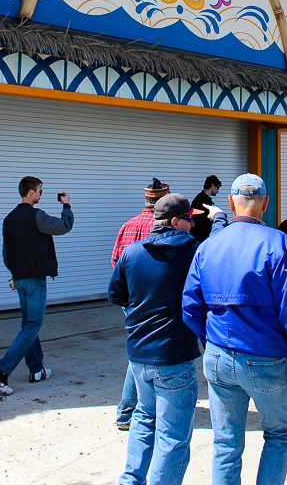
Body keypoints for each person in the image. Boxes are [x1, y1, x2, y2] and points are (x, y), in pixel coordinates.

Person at [183, 173, 287, 485]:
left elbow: (190, 308)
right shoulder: (281, 245)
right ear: (265, 204)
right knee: (279, 434)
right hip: (267, 360)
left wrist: (213, 341)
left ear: (232, 203)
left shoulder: (208, 246)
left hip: (218, 358)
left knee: (225, 443)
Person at [108, 193, 226, 485]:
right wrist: (220, 219)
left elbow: (116, 295)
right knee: (173, 435)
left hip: (138, 355)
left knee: (144, 418)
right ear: (175, 222)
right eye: (189, 219)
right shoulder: (193, 251)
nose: (193, 225)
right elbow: (220, 249)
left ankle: (130, 480)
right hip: (175, 356)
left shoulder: (132, 253)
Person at [0, 177, 73, 395]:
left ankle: (37, 370)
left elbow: (6, 253)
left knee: (28, 325)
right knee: (33, 325)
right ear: (32, 192)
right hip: (34, 279)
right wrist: (66, 205)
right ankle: (1, 369)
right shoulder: (37, 216)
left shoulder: (9, 219)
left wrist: (14, 274)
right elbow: (64, 226)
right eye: (40, 191)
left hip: (20, 279)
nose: (41, 195)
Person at [111, 177, 170, 430]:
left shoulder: (128, 225)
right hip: (155, 299)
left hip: (131, 299)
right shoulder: (163, 229)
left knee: (140, 350)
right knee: (145, 355)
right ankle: (127, 411)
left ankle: (135, 409)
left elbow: (115, 262)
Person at [191, 174, 222, 243]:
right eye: (217, 188)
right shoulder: (201, 201)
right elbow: (200, 221)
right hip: (201, 238)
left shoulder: (202, 199)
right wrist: (205, 236)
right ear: (212, 186)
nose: (218, 191)